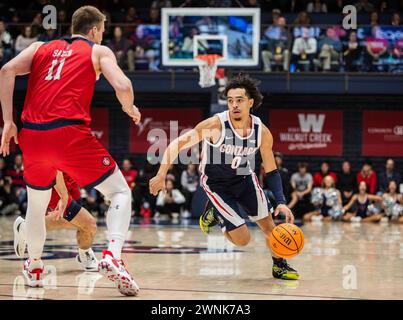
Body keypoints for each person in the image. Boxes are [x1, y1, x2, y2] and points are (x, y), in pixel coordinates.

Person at [0, 6, 141, 296]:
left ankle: (35, 266)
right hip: (69, 133)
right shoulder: (97, 52)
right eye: (102, 31)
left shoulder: (40, 47)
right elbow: (124, 84)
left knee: (36, 208)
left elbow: (6, 70)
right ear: (94, 30)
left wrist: (7, 122)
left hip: (33, 137)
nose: (102, 37)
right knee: (119, 192)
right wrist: (129, 108)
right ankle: (113, 255)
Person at [149, 74, 299, 280]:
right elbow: (178, 144)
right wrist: (160, 174)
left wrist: (281, 202)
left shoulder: (261, 131)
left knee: (270, 227)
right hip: (217, 185)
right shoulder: (215, 125)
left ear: (250, 102)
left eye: (239, 100)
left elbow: (271, 170)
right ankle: (217, 214)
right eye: (230, 101)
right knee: (243, 239)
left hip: (245, 179)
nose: (234, 105)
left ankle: (279, 265)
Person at [13, 171, 98, 271]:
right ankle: (27, 228)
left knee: (83, 223)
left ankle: (25, 227)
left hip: (71, 182)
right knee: (88, 223)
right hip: (56, 182)